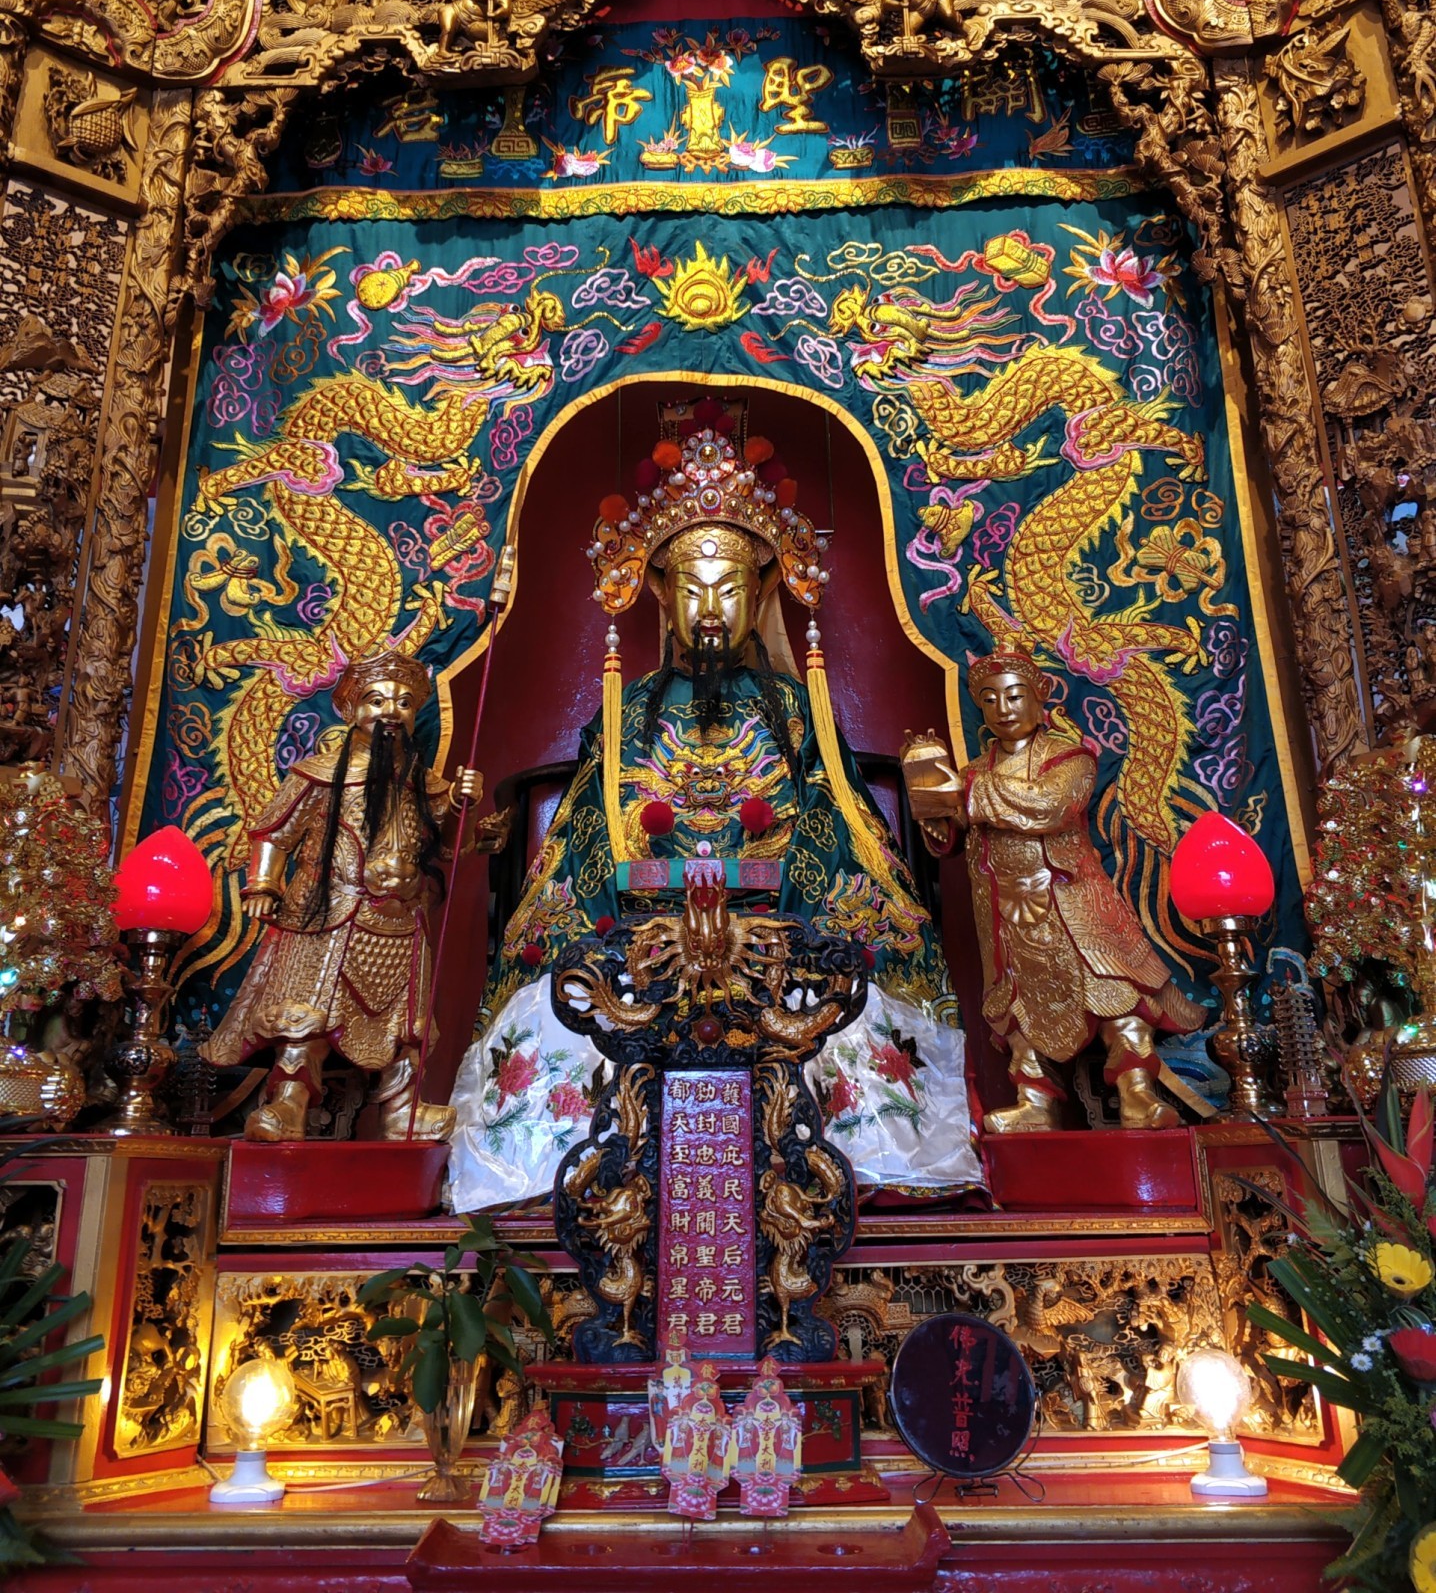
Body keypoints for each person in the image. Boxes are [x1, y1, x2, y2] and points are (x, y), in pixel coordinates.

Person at [448, 402, 982, 1207]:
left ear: (759, 593)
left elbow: (836, 823)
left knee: (840, 994)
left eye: (728, 590)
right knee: (569, 1003)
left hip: (781, 930)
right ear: (660, 596)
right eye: (690, 590)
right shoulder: (628, 711)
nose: (707, 611)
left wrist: (791, 904)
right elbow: (587, 833)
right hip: (640, 935)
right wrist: (622, 903)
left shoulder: (795, 710)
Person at [901, 649, 1204, 1132]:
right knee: (1017, 1007)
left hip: (1071, 901)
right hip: (1005, 910)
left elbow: (1049, 807)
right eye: (989, 700)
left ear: (1039, 697)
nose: (1003, 708)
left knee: (1116, 992)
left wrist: (964, 795)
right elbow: (952, 836)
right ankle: (1035, 1101)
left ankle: (1137, 1092)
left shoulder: (1070, 758)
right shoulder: (974, 771)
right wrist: (931, 801)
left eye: (1014, 696)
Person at [203, 652, 482, 1140]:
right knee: (306, 1014)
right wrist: (264, 884)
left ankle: (402, 1111)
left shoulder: (423, 784)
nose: (390, 711)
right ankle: (290, 1102)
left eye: (404, 703)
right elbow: (274, 832)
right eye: (376, 701)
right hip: (329, 912)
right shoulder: (319, 774)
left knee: (407, 1024)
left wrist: (463, 805)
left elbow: (447, 844)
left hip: (400, 916)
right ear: (352, 710)